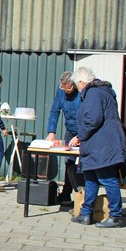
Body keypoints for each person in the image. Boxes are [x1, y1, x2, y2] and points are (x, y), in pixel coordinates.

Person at [68, 67, 126, 228]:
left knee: (107, 178)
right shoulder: (101, 92)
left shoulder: (93, 93)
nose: (78, 89)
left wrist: (79, 136)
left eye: (77, 85)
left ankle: (115, 216)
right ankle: (85, 213)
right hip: (97, 143)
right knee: (91, 178)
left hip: (103, 144)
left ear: (82, 82)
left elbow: (93, 119)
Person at [45, 71, 82, 206]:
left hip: (83, 130)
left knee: (84, 161)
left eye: (68, 89)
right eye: (63, 89)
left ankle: (82, 194)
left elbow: (88, 115)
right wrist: (51, 132)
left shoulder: (81, 92)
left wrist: (80, 136)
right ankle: (66, 193)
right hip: (70, 129)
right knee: (69, 161)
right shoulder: (60, 91)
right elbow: (55, 111)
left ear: (74, 85)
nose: (65, 92)